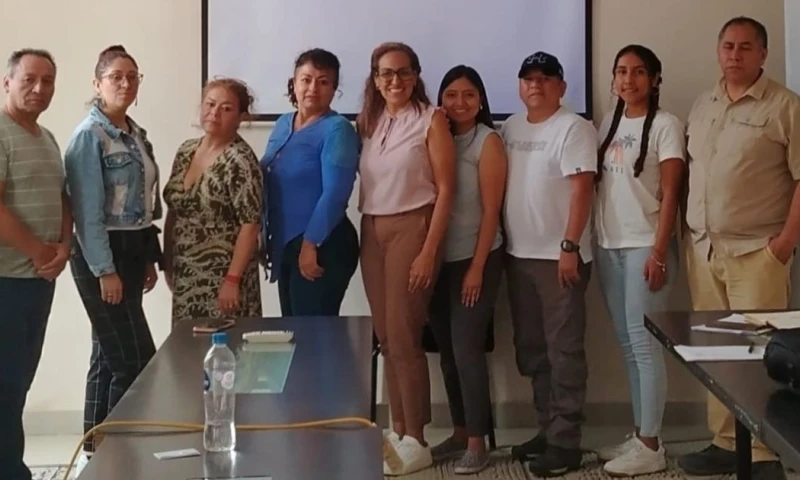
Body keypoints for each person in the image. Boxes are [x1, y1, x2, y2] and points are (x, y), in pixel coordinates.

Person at [678, 17, 800, 480]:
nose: (734, 55)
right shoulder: (704, 104)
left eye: (745, 47)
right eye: (727, 46)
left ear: (763, 55)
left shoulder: (785, 106)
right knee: (716, 350)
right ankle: (727, 441)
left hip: (757, 252)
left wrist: (784, 245)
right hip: (707, 250)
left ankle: (766, 453)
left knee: (760, 352)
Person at [357, 42, 455, 476]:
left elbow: (448, 189)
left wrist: (429, 250)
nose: (393, 81)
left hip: (413, 227)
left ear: (415, 75)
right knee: (385, 336)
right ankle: (398, 430)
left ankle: (417, 437)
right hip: (372, 229)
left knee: (404, 334)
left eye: (401, 72)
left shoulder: (432, 119)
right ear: (375, 79)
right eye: (384, 73)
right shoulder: (373, 120)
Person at [64, 45, 162, 475]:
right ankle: (119, 455)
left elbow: (143, 206)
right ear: (97, 82)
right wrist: (106, 270)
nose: (125, 83)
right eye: (116, 76)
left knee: (107, 354)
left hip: (131, 248)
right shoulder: (90, 135)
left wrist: (146, 259)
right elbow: (86, 216)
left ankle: (95, 452)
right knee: (136, 359)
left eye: (133, 76)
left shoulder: (135, 134)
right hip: (99, 254)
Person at [502, 52, 597, 477]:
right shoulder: (510, 127)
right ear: (520, 86)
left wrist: (570, 246)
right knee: (533, 351)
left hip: (559, 258)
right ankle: (547, 429)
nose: (535, 85)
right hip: (518, 254)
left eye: (545, 78)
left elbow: (582, 191)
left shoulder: (574, 128)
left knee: (564, 352)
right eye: (528, 78)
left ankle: (566, 443)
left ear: (561, 86)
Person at [592, 45, 685, 477]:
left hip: (646, 247)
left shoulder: (666, 125)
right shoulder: (606, 124)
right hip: (610, 246)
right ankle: (641, 434)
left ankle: (651, 446)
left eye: (639, 72)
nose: (628, 80)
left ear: (655, 79)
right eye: (621, 72)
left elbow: (670, 196)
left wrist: (659, 250)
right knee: (629, 346)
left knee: (646, 347)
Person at [426, 65, 506, 475]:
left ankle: (478, 442)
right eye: (452, 95)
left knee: (467, 351)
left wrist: (476, 267)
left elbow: (492, 210)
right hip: (438, 262)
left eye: (469, 95)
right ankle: (459, 431)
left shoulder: (487, 141)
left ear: (481, 100)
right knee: (446, 354)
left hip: (477, 260)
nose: (460, 103)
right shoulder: (436, 136)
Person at [0, 48, 71, 480]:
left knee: (17, 385)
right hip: (6, 280)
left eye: (47, 81)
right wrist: (36, 250)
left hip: (38, 282)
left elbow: (62, 198)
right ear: (7, 82)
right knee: (4, 386)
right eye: (29, 79)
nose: (39, 89)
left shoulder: (45, 138)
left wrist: (63, 246)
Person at [260, 48, 359, 316]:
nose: (313, 88)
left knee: (313, 340)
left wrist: (310, 244)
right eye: (306, 79)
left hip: (323, 244)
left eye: (323, 81)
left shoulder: (338, 129)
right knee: (292, 336)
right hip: (286, 243)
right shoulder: (283, 123)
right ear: (293, 83)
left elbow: (335, 194)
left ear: (334, 89)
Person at [163, 78, 262, 324]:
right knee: (187, 353)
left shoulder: (240, 161)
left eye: (226, 108)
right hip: (186, 273)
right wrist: (168, 262)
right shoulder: (186, 150)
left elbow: (250, 227)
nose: (214, 113)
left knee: (227, 353)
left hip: (224, 279)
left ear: (241, 117)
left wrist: (232, 280)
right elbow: (175, 211)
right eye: (210, 104)